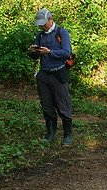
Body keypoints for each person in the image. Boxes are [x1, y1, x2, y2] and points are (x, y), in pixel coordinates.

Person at [28, 8, 74, 146]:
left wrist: (50, 52)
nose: (41, 25)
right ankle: (50, 134)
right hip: (44, 75)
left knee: (63, 105)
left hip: (58, 74)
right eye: (40, 23)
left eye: (43, 23)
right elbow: (35, 56)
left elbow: (67, 53)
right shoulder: (40, 35)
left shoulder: (62, 33)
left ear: (50, 19)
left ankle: (67, 136)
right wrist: (34, 51)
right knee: (46, 105)